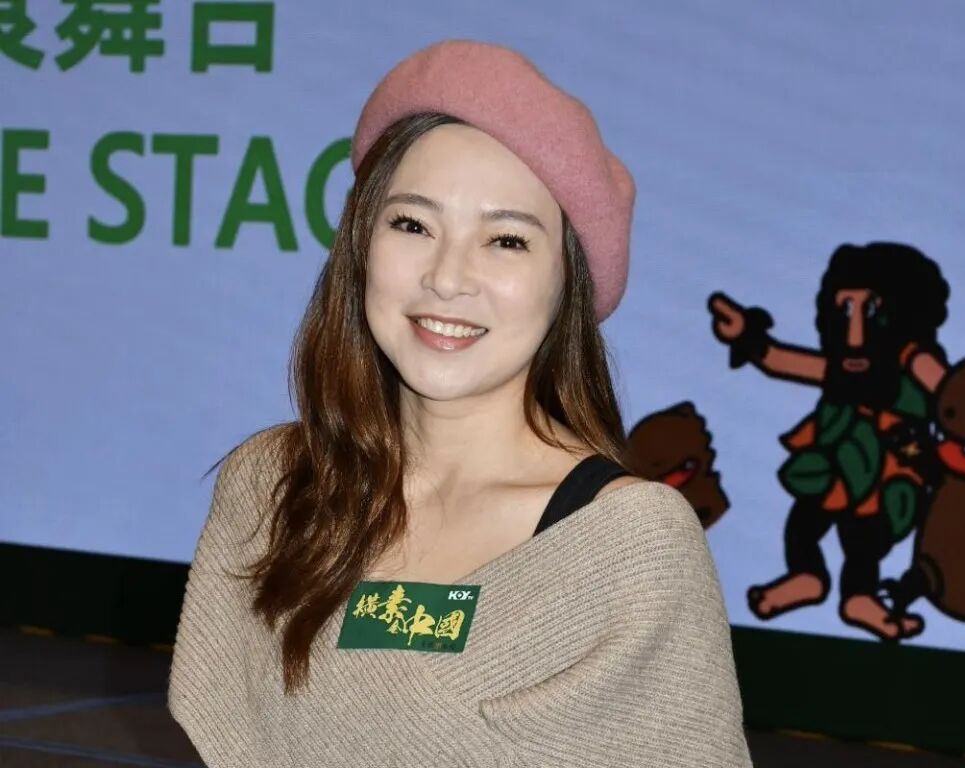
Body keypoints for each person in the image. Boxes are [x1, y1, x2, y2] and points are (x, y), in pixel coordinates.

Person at [169, 39, 751, 767]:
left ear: (564, 284)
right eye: (412, 225)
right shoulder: (270, 483)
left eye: (506, 240)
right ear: (360, 245)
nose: (448, 278)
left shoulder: (628, 542)